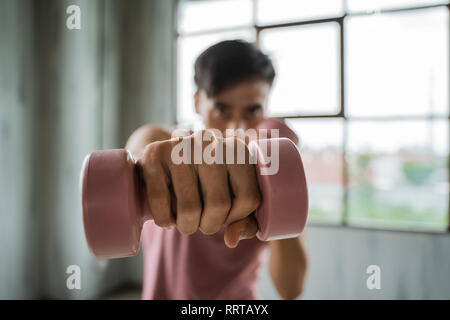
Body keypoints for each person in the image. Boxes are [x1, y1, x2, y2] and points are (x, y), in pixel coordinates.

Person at [125, 40, 307, 300]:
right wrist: (148, 162)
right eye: (222, 109)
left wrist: (281, 192)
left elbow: (291, 289)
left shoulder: (266, 168)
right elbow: (142, 149)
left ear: (266, 107)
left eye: (252, 110)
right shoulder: (164, 146)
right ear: (198, 102)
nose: (236, 127)